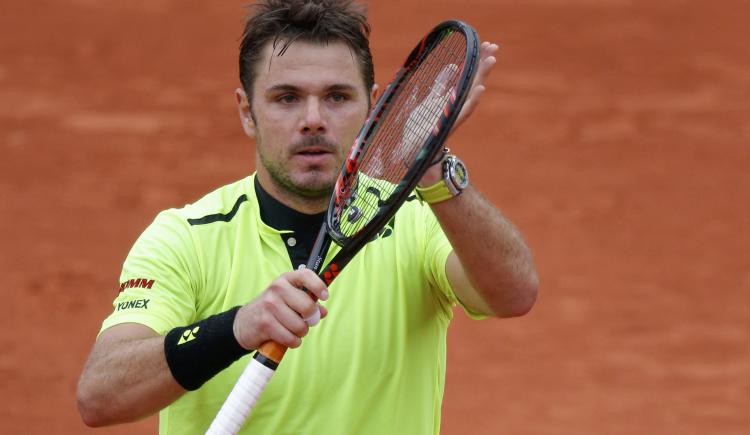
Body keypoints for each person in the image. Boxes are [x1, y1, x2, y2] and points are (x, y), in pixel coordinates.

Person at [76, 1, 539, 434]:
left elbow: (513, 293)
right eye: (286, 98)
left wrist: (434, 170)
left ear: (374, 108)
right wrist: (236, 328)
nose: (314, 119)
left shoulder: (418, 217)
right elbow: (101, 395)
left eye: (337, 97)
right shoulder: (186, 238)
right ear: (247, 112)